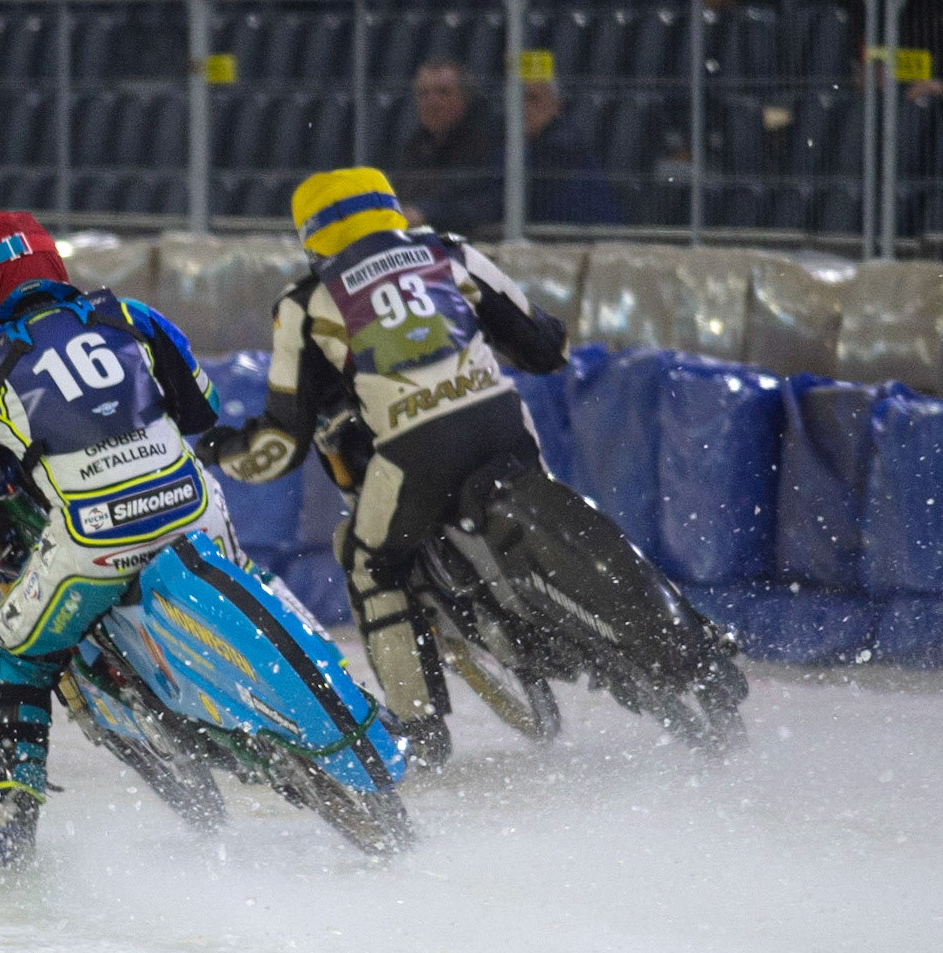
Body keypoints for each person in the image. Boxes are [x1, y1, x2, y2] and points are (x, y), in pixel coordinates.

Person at [0, 211, 247, 869]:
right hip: (194, 515)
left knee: (9, 652)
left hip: (94, 541)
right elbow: (204, 410)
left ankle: (6, 830)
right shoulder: (132, 316)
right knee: (245, 583)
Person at [195, 168, 568, 769]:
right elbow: (546, 346)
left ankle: (419, 726)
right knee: (554, 495)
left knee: (369, 561)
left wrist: (217, 451)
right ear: (393, 210)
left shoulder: (307, 301)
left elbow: (280, 445)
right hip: (502, 423)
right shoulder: (449, 251)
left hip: (415, 447)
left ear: (311, 235)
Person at [394, 59, 502, 237]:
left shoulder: (488, 142)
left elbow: (484, 204)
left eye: (443, 93)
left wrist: (424, 212)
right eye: (423, 94)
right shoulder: (415, 146)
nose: (432, 102)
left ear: (465, 98)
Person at [522, 80, 623, 227]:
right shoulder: (516, 146)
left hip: (589, 239)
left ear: (556, 105)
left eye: (533, 99)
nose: (524, 108)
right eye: (519, 100)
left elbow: (506, 200)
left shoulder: (560, 147)